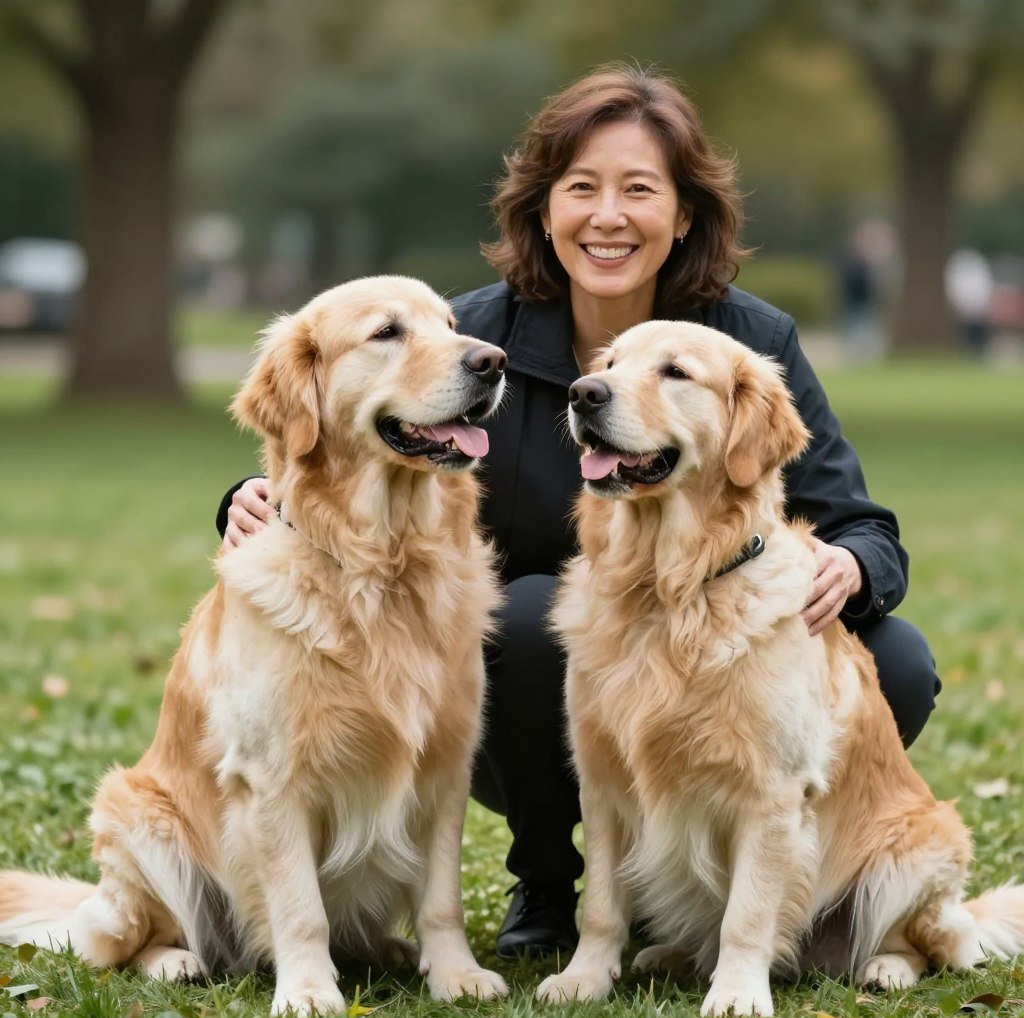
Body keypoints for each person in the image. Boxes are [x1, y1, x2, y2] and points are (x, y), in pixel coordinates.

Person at [217, 64, 941, 962]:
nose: (607, 216)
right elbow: (328, 449)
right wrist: (249, 500)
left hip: (715, 647)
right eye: (580, 189)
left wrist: (855, 565)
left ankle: (734, 879)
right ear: (543, 209)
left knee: (896, 659)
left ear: (683, 216)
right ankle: (550, 893)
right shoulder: (470, 347)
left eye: (640, 190)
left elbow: (864, 523)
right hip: (533, 674)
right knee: (530, 620)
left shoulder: (751, 343)